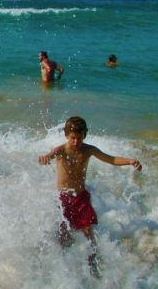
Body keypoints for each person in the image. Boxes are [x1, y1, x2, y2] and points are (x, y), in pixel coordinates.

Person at [37, 116, 142, 275]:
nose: (76, 142)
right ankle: (63, 268)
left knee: (87, 230)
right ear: (66, 135)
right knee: (64, 235)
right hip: (63, 199)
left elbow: (111, 159)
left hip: (81, 198)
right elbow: (49, 155)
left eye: (79, 138)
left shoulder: (89, 150)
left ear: (84, 135)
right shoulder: (60, 150)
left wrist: (129, 161)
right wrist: (44, 158)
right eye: (73, 138)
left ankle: (94, 264)